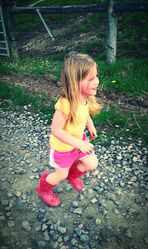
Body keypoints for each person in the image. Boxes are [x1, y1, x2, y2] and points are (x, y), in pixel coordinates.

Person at [36, 52, 102, 207]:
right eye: (91, 78)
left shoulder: (84, 97)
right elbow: (56, 130)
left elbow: (84, 113)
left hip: (79, 141)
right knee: (60, 174)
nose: (97, 82)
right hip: (63, 148)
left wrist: (90, 125)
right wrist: (78, 144)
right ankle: (43, 188)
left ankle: (72, 176)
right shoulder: (65, 104)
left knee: (91, 164)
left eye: (96, 76)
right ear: (75, 82)